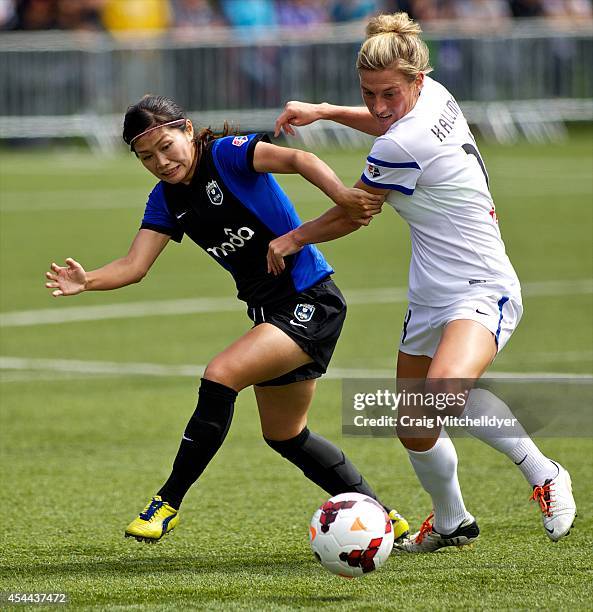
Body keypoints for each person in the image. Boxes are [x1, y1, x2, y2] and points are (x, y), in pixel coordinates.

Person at [270, 12, 577, 551]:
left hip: (483, 285)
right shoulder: (434, 95)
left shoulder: (403, 142)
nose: (378, 105)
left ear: (414, 79)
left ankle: (545, 472)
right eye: (367, 93)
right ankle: (453, 521)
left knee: (441, 397)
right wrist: (324, 111)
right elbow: (387, 123)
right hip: (430, 294)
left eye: (389, 92)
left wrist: (293, 239)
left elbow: (356, 212)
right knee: (415, 425)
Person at [44, 94, 409, 544]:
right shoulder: (165, 200)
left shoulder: (227, 154)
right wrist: (88, 281)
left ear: (188, 130)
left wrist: (344, 198)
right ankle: (383, 517)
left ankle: (167, 502)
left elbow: (299, 157)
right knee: (285, 434)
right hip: (271, 313)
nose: (160, 161)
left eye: (166, 146)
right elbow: (135, 266)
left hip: (310, 300)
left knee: (221, 375)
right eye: (146, 157)